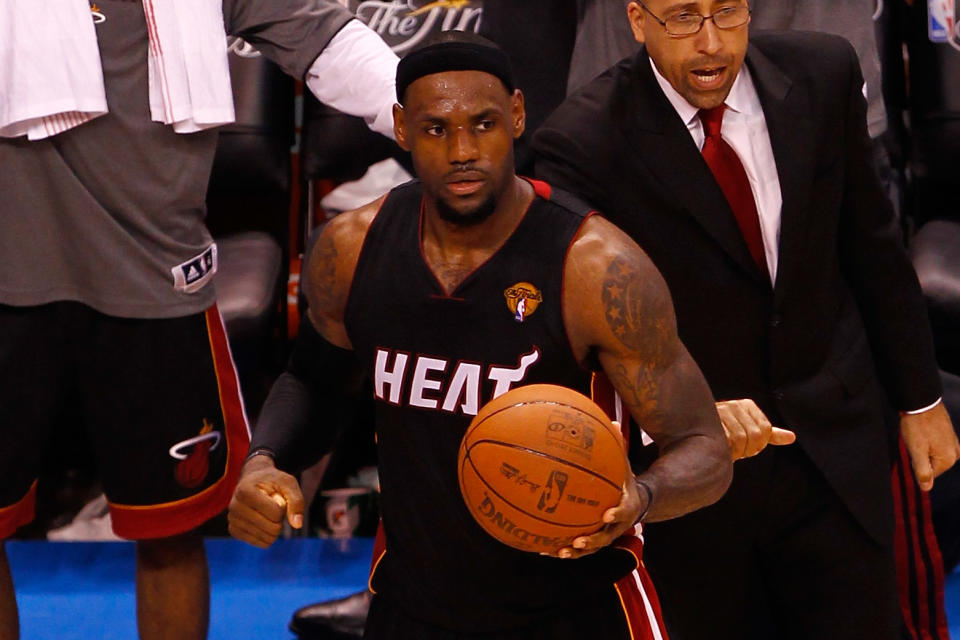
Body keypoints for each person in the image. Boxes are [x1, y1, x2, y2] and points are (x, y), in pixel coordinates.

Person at [228, 31, 732, 639]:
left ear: (517, 116)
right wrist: (264, 460)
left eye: (484, 124)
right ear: (402, 128)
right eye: (437, 129)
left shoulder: (595, 268)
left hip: (576, 609)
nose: (463, 149)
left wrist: (642, 496)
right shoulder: (352, 248)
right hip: (414, 604)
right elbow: (314, 379)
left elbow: (704, 447)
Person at [531, 1, 960, 638]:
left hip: (836, 445)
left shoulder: (823, 73)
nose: (709, 42)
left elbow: (871, 245)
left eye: (726, 12)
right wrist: (688, 412)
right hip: (700, 476)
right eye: (682, 18)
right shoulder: (581, 141)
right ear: (637, 19)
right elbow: (590, 331)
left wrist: (920, 399)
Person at [0, 1, 400, 639]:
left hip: (155, 277)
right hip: (6, 276)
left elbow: (325, 39)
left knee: (171, 531)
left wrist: (423, 109)